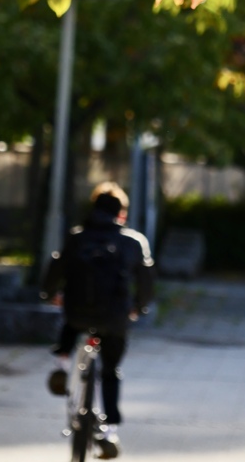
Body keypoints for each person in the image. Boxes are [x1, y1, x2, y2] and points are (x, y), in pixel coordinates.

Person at [41, 181, 155, 460]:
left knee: (72, 319)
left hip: (77, 312)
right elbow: (145, 281)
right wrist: (139, 308)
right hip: (115, 317)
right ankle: (110, 431)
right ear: (122, 214)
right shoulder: (133, 242)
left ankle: (62, 361)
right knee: (111, 370)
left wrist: (50, 294)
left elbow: (56, 267)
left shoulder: (77, 237)